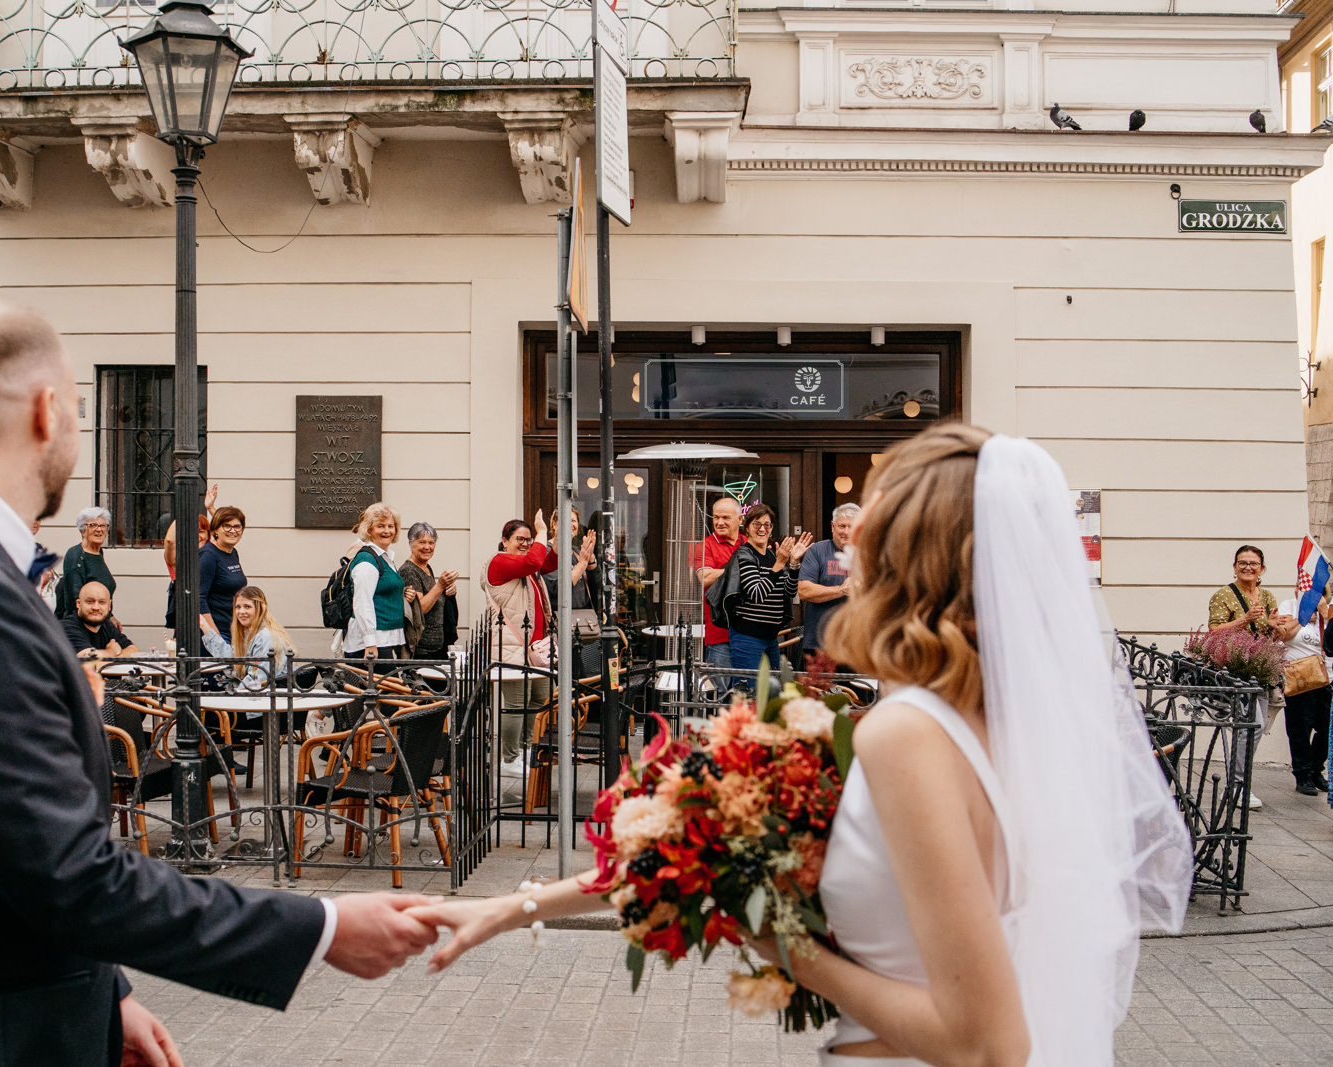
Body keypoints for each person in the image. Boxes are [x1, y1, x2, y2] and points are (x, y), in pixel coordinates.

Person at [0, 300, 440, 1066]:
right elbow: (67, 870)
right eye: (80, 410)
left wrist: (103, 989)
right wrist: (321, 928)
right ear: (45, 410)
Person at [407, 424, 1192, 1067]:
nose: (850, 544)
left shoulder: (908, 734)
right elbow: (695, 843)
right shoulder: (983, 720)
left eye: (872, 520)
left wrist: (784, 944)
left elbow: (987, 1044)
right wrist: (509, 908)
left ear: (909, 553)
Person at [482, 512, 557, 780]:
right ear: (504, 541)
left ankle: (526, 749)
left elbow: (549, 562)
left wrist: (559, 536)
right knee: (516, 704)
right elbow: (535, 560)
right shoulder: (499, 562)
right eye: (519, 539)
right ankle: (509, 759)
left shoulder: (526, 568)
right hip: (511, 646)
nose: (525, 544)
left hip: (537, 648)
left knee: (541, 698)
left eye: (528, 539)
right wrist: (540, 532)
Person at [1208, 544, 1282, 810]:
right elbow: (1214, 631)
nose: (1248, 567)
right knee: (1251, 726)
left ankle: (1239, 785)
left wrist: (1275, 628)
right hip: (1235, 672)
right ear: (1234, 566)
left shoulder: (1268, 596)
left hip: (1260, 672)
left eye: (1253, 563)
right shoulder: (1224, 595)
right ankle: (1237, 787)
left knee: (1254, 728)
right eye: (1242, 562)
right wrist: (1245, 619)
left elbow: (1273, 635)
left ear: (1262, 568)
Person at [725, 504, 810, 674]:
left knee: (773, 688)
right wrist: (780, 563)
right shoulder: (745, 554)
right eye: (757, 524)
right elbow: (756, 594)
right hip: (748, 637)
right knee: (748, 687)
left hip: (771, 637)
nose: (762, 529)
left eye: (767, 525)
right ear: (747, 528)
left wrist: (794, 564)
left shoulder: (772, 555)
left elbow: (789, 591)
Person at [1272, 600, 1331, 795]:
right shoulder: (1289, 607)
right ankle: (1303, 774)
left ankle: (1315, 769)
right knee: (1300, 728)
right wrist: (1303, 618)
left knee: (1327, 728)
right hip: (1299, 677)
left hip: (1327, 677)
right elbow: (1283, 635)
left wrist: (1325, 614)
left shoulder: (1328, 609)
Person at [340, 503, 408, 660]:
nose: (387, 531)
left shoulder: (384, 558)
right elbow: (362, 602)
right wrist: (370, 643)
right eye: (380, 526)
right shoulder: (367, 561)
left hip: (384, 641)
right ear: (369, 530)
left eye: (391, 526)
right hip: (370, 645)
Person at [692, 496, 744, 694]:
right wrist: (741, 570)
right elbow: (705, 577)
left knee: (747, 692)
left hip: (748, 632)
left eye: (726, 517)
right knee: (719, 692)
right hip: (719, 633)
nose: (720, 522)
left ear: (740, 519)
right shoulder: (705, 546)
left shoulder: (748, 543)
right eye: (716, 517)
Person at [795, 503, 857, 664]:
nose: (846, 531)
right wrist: (841, 590)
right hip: (819, 645)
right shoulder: (817, 551)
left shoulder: (869, 555)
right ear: (832, 526)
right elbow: (804, 591)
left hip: (858, 647)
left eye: (851, 526)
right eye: (842, 526)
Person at [202, 585, 292, 688]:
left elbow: (256, 679)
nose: (241, 612)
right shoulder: (251, 633)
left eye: (247, 607)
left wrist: (234, 695)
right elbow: (231, 656)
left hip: (269, 696)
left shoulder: (265, 636)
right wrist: (204, 626)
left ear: (260, 609)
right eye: (238, 607)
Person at [398, 522, 459, 659]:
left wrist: (448, 590)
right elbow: (420, 608)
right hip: (421, 651)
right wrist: (440, 585)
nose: (427, 547)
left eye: (431, 543)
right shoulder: (408, 570)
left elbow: (433, 597)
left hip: (436, 648)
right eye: (422, 542)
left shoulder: (426, 567)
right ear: (410, 544)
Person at [163, 484, 219, 632]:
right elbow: (169, 541)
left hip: (215, 618)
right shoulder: (178, 558)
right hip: (188, 623)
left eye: (200, 531)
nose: (196, 536)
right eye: (191, 531)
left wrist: (211, 509)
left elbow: (225, 531)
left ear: (208, 534)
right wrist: (183, 512)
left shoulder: (213, 552)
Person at [54, 506, 116, 619]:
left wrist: (110, 617)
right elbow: (74, 600)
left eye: (102, 525)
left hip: (99, 619)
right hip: (83, 622)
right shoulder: (75, 555)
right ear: (82, 530)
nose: (99, 529)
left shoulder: (98, 553)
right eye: (93, 525)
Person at [199, 505, 248, 640]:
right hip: (217, 632)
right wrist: (214, 634)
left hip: (233, 629)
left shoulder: (232, 552)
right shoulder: (208, 555)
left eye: (237, 526)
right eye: (227, 526)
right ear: (215, 529)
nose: (233, 531)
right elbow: (199, 598)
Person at [63, 581, 140, 659]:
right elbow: (88, 660)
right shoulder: (67, 627)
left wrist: (107, 659)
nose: (96, 607)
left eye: (102, 602)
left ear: (109, 606)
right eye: (90, 602)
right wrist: (111, 652)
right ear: (78, 604)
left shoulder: (107, 625)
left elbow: (133, 651)